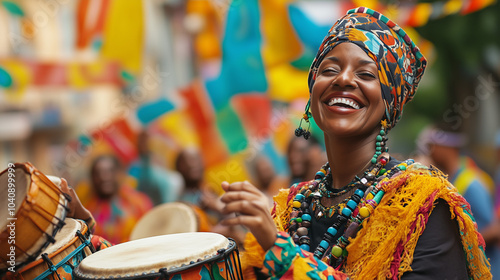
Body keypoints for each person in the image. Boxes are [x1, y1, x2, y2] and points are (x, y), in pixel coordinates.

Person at [220, 7, 491, 279]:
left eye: (366, 74)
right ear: (313, 91)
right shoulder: (289, 210)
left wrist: (278, 248)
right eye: (329, 69)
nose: (344, 79)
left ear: (389, 104)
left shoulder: (421, 203)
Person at [417, 124, 500, 278]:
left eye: (431, 146)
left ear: (445, 147)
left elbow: (495, 231)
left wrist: (456, 242)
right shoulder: (451, 180)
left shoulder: (472, 184)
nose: (430, 152)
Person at [76, 155, 153, 244]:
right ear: (92, 178)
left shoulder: (139, 203)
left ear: (120, 174)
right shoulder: (86, 209)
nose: (104, 177)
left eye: (110, 171)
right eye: (98, 173)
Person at [128, 130, 183, 206]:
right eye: (141, 141)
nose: (144, 143)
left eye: (147, 140)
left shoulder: (159, 158)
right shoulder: (135, 165)